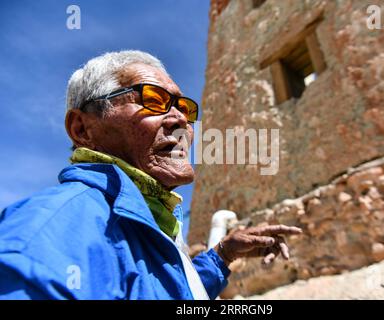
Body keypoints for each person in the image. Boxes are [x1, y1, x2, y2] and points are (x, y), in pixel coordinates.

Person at [0, 50, 302, 299]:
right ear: (82, 128)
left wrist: (222, 254)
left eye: (183, 107)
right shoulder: (47, 234)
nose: (181, 119)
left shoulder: (148, 222)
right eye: (153, 101)